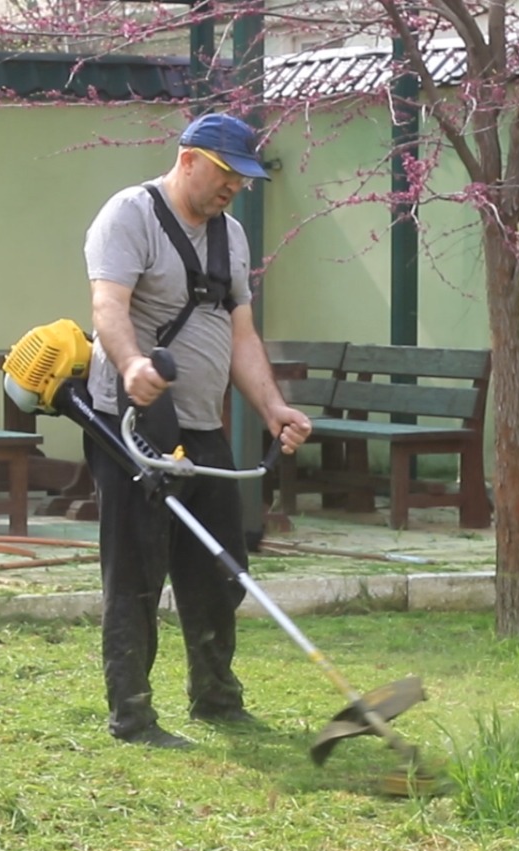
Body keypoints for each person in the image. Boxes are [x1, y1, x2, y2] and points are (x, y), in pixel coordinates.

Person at [81, 112, 313, 749]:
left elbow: (241, 335)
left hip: (202, 426)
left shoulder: (231, 236)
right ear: (188, 159)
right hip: (132, 425)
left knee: (220, 569)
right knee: (136, 569)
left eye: (243, 179)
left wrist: (273, 409)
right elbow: (109, 305)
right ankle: (131, 715)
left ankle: (215, 698)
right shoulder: (129, 215)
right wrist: (131, 364)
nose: (233, 188)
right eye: (225, 173)